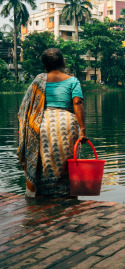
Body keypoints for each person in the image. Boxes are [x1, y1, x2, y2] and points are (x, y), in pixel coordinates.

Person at [18, 48, 88, 198]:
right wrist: (83, 129)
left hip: (43, 122)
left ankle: (44, 193)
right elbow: (77, 102)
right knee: (68, 158)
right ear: (62, 62)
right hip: (66, 123)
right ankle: (67, 193)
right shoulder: (73, 80)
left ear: (45, 65)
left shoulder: (39, 80)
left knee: (44, 157)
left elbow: (26, 106)